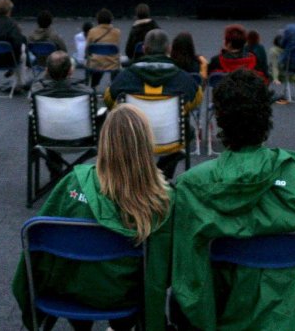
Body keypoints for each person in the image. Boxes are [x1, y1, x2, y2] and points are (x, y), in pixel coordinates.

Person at [170, 69, 295, 331]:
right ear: (266, 116)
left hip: (224, 312)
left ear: (221, 119)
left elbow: (185, 271)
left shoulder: (192, 185)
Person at [11, 104, 173, 331]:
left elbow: (38, 253)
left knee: (77, 268)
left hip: (70, 291)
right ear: (146, 144)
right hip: (125, 296)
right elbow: (166, 267)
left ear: (104, 142)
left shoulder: (72, 183)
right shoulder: (162, 198)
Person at [104, 29, 203, 179]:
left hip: (134, 140)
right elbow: (196, 100)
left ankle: (141, 176)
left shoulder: (125, 77)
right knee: (187, 131)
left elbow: (110, 101)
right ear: (168, 49)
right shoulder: (183, 79)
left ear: (144, 49)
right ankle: (162, 173)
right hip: (171, 141)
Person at [30, 50, 97, 177]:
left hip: (47, 140)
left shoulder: (37, 91)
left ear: (47, 71)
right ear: (71, 71)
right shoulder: (86, 92)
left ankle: (56, 173)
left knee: (52, 124)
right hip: (83, 140)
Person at [84, 8, 122, 88]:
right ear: (111, 19)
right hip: (112, 64)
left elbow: (87, 49)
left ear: (98, 20)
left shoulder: (92, 31)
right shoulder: (117, 32)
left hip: (96, 64)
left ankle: (93, 86)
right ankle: (114, 86)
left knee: (95, 62)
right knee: (117, 64)